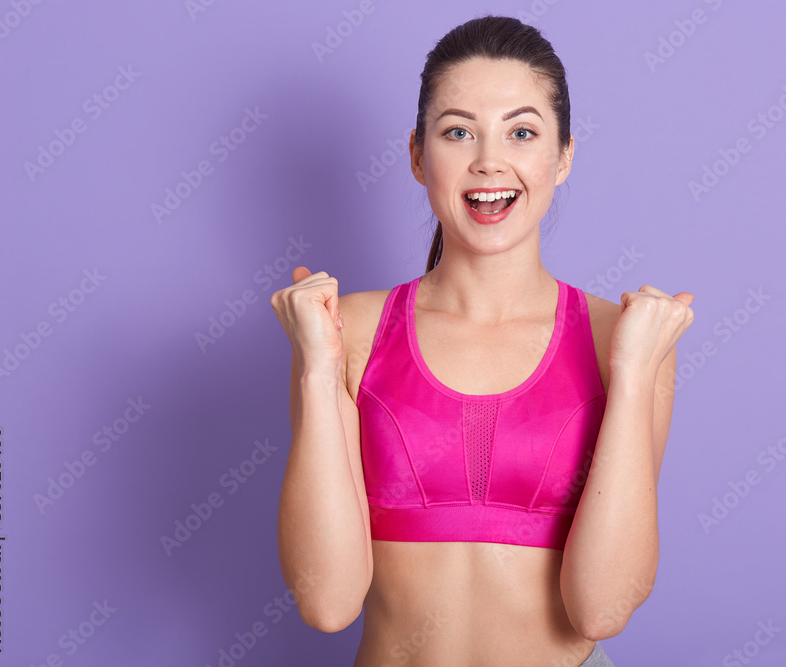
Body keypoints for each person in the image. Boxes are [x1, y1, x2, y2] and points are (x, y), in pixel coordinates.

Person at [269, 15, 694, 667]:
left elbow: (602, 607)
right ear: (417, 154)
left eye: (522, 132)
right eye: (458, 131)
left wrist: (633, 373)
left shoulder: (628, 340)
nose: (489, 161)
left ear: (564, 154)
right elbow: (327, 602)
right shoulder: (344, 331)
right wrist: (317, 370)